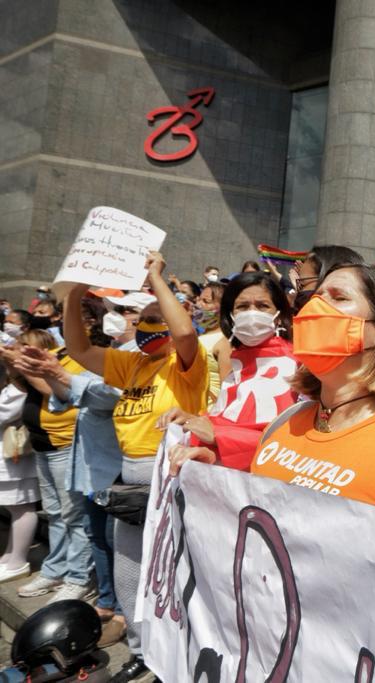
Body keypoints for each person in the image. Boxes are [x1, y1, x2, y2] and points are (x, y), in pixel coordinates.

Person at [171, 262, 375, 532]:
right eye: (317, 298)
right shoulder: (285, 423)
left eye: (339, 298)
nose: (314, 310)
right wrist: (211, 474)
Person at [64, 250, 209, 682]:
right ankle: (143, 651)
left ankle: (184, 652)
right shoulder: (131, 364)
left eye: (155, 316)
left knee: (176, 574)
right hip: (131, 481)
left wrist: (156, 279)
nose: (148, 323)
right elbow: (77, 348)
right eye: (141, 318)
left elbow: (184, 332)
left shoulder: (185, 365)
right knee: (130, 573)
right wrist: (74, 293)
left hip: (174, 478)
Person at [15, 298, 128, 645]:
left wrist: (54, 374)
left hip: (112, 462)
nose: (68, 327)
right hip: (86, 460)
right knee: (92, 532)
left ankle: (107, 598)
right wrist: (50, 371)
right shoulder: (71, 356)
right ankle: (105, 599)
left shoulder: (122, 358)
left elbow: (106, 396)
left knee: (108, 537)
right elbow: (64, 398)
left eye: (78, 319)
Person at [158, 272, 298, 471]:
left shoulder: (297, 363)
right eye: (242, 306)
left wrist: (218, 436)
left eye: (262, 306)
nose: (251, 313)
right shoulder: (239, 361)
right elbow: (231, 421)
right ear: (231, 315)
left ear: (279, 315)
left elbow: (288, 442)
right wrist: (192, 419)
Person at [8, 329, 95, 604]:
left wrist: (27, 366)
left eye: (26, 345)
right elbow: (23, 387)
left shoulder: (70, 362)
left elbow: (54, 393)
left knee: (74, 516)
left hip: (65, 447)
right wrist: (14, 366)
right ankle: (55, 570)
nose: (21, 349)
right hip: (43, 448)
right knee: (56, 514)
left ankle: (77, 577)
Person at [0, 354, 39, 585]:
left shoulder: (18, 388)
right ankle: (9, 555)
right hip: (8, 458)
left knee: (22, 508)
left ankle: (19, 561)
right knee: (15, 508)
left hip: (15, 458)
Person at [195, 281, 228, 403]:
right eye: (199, 300)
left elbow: (227, 390)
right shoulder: (201, 334)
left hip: (208, 412)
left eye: (206, 302)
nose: (198, 305)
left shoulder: (224, 341)